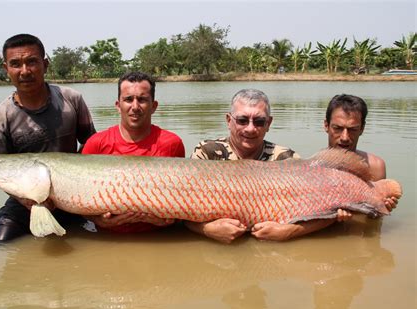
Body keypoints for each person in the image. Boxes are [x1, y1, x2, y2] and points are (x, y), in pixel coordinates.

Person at [186, 89, 350, 243]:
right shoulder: (207, 153)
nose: (250, 128)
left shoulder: (286, 159)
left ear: (269, 123)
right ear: (229, 121)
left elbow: (321, 212)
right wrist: (206, 229)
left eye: (259, 121)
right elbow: (181, 209)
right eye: (242, 120)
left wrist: (288, 231)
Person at [0, 34, 96, 241]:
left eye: (32, 62)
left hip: (74, 192)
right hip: (26, 199)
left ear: (45, 64)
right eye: (16, 64)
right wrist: (28, 201)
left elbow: (92, 146)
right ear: (6, 69)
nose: (25, 71)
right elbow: (2, 175)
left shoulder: (71, 100)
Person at [82, 71, 185, 232]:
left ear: (154, 106)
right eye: (128, 99)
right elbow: (80, 198)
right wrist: (97, 219)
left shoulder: (171, 143)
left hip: (158, 239)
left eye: (142, 100)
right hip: (108, 237)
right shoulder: (96, 144)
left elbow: (183, 196)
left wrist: (168, 219)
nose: (135, 107)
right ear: (118, 105)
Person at [324, 94, 398, 209]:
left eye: (352, 129)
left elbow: (376, 215)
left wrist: (383, 208)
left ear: (362, 129)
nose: (344, 137)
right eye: (337, 128)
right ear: (326, 126)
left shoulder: (375, 167)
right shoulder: (313, 167)